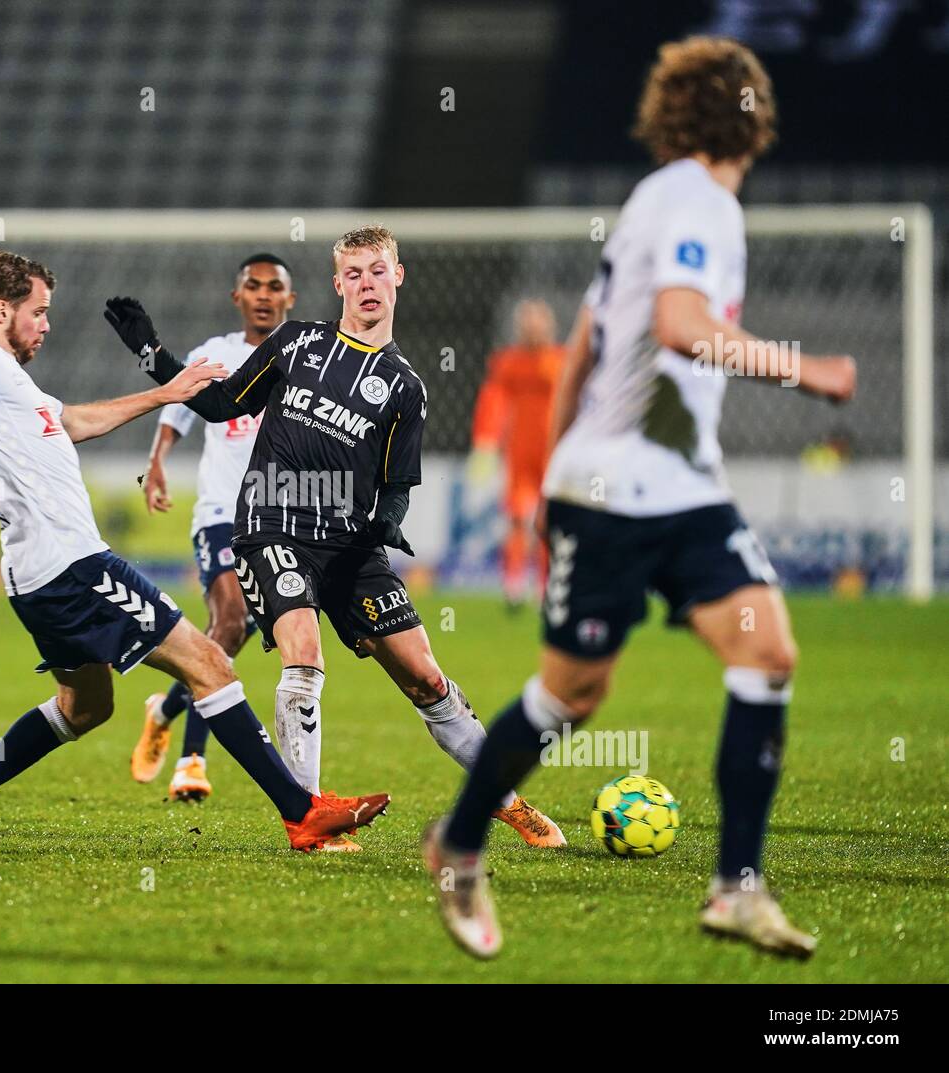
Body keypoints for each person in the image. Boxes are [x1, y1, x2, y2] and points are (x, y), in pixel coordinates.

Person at [422, 37, 856, 958]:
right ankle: (459, 845)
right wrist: (803, 369)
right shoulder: (700, 201)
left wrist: (551, 471)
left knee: (766, 649)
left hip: (672, 487)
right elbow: (679, 324)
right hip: (621, 491)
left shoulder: (652, 202)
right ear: (753, 115)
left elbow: (586, 340)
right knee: (571, 694)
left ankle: (737, 884)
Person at [0, 250, 389, 853]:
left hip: (34, 577)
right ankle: (301, 813)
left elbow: (75, 420)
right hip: (74, 564)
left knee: (85, 708)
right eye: (39, 312)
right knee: (211, 664)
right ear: (1, 310)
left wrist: (167, 393)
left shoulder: (7, 380)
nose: (46, 326)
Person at [104, 226, 564, 853]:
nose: (366, 284)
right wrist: (151, 352)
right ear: (337, 283)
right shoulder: (297, 344)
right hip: (272, 525)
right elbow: (218, 403)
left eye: (377, 271)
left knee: (425, 677)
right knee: (303, 648)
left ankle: (505, 804)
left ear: (397, 276)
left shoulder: (405, 386)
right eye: (354, 273)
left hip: (349, 545)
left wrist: (389, 521)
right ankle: (311, 819)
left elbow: (399, 481)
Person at [129, 253, 295, 802]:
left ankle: (168, 706)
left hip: (280, 520)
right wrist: (156, 464)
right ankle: (192, 762)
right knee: (231, 617)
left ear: (289, 300)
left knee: (244, 630)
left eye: (275, 287)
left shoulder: (303, 359)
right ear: (237, 298)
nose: (265, 295)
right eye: (254, 286)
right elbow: (177, 408)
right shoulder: (214, 355)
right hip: (222, 515)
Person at [469, 298, 564, 605]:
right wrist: (486, 442)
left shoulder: (562, 361)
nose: (532, 330)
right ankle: (513, 582)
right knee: (518, 517)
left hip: (555, 453)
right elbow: (492, 403)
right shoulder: (508, 363)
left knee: (549, 519)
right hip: (520, 453)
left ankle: (545, 583)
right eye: (527, 324)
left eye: (537, 323)